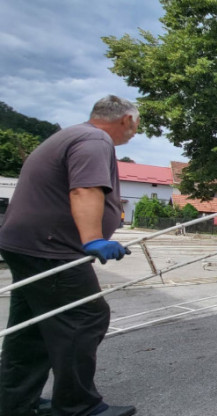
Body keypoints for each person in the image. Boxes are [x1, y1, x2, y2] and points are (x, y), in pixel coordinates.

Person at [0, 96, 138, 416]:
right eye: (135, 127)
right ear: (127, 119)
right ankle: (78, 407)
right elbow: (84, 189)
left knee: (32, 328)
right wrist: (93, 240)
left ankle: (16, 403)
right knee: (84, 317)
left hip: (27, 245)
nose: (133, 134)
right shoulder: (94, 140)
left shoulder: (73, 135)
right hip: (52, 248)